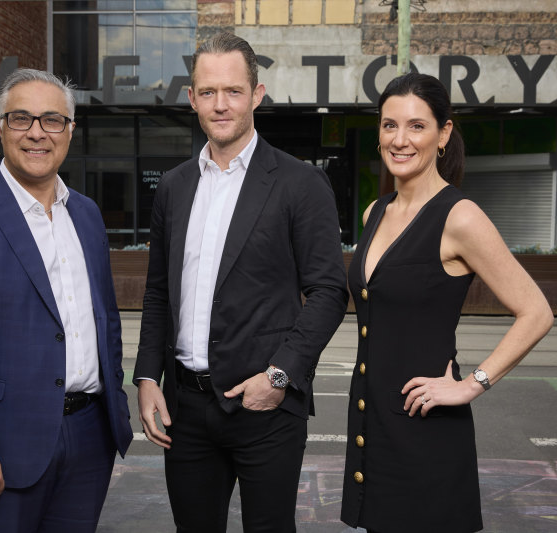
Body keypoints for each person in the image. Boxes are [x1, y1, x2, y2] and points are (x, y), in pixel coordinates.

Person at [134, 32, 348, 532]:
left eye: (233, 91)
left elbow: (329, 292)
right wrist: (146, 378)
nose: (220, 104)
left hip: (264, 408)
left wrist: (279, 378)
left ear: (257, 94)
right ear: (192, 99)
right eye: (207, 92)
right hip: (185, 410)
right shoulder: (174, 186)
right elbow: (159, 291)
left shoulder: (300, 183)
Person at [0, 68, 133, 532]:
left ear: (70, 131)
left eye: (52, 119)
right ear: (1, 127)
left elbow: (104, 321)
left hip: (89, 437)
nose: (37, 132)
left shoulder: (88, 215)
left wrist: (115, 412)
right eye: (21, 118)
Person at [340, 72, 554, 533]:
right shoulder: (374, 213)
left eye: (417, 126)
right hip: (373, 428)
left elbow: (536, 312)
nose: (400, 139)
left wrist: (472, 383)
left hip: (427, 431)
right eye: (389, 125)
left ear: (444, 133)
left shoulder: (460, 216)